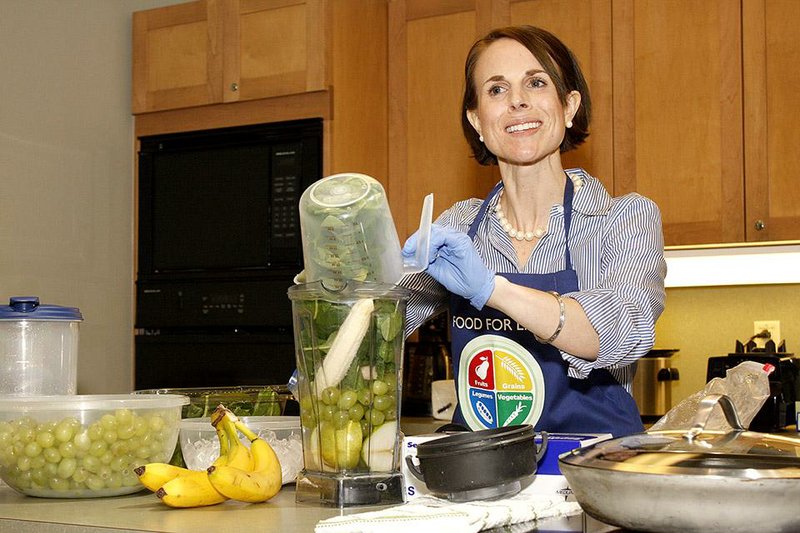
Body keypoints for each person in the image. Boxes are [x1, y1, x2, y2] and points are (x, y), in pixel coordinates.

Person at [401, 25, 666, 437]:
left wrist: (492, 290)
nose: (517, 101)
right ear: (476, 120)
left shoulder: (622, 218)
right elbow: (379, 326)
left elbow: (625, 330)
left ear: (569, 105)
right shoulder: (457, 228)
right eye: (496, 90)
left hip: (591, 476)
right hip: (484, 478)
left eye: (536, 83)